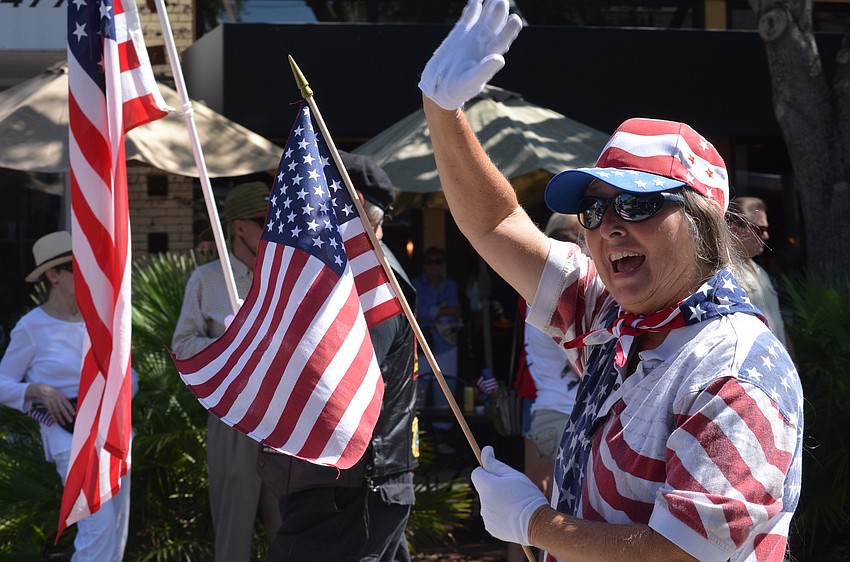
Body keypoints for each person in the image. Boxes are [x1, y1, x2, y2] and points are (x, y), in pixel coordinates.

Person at [417, 1, 804, 560]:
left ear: (705, 223)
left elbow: (683, 554)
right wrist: (442, 109)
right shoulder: (614, 316)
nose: (609, 227)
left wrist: (536, 523)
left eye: (637, 203)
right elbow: (496, 223)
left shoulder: (736, 369)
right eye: (595, 211)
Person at [256, 152, 419, 561]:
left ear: (354, 209)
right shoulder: (347, 276)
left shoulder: (371, 285)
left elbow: (343, 380)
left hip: (351, 485)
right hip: (339, 480)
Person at [0, 231, 132, 561]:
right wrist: (37, 389)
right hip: (70, 439)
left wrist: (113, 387)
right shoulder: (32, 326)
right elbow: (2, 383)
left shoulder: (99, 320)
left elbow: (131, 378)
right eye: (76, 267)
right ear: (53, 275)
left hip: (114, 432)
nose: (87, 272)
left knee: (116, 534)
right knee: (97, 531)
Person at [172, 182, 282, 562]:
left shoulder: (287, 273)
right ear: (237, 227)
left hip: (286, 417)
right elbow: (183, 345)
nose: (273, 230)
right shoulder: (207, 279)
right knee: (233, 538)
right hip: (233, 418)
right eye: (263, 222)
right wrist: (230, 347)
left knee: (293, 535)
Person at [508, 214, 582, 562]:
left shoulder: (536, 293)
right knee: (552, 514)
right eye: (577, 238)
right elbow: (582, 360)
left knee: (530, 507)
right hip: (564, 416)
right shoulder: (562, 299)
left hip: (548, 410)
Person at [728, 196, 794, 356]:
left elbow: (778, 323)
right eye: (759, 229)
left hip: (778, 368)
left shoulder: (761, 272)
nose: (766, 236)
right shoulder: (722, 272)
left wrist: (793, 363)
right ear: (735, 230)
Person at [412, 246, 462, 419]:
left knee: (446, 390)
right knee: (420, 390)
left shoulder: (450, 285)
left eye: (438, 262)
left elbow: (456, 311)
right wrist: (441, 311)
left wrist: (433, 312)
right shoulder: (415, 284)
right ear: (424, 265)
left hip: (446, 343)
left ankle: (443, 439)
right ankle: (419, 438)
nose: (434, 266)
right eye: (429, 262)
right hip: (424, 343)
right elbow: (416, 313)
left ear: (443, 265)